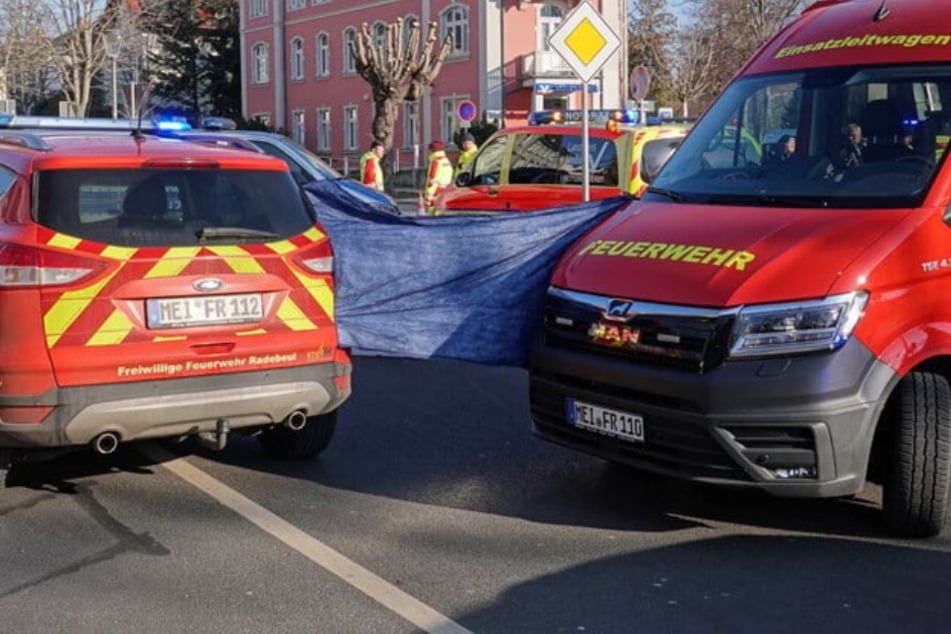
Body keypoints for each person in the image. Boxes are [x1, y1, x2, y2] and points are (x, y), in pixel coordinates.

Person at [423, 140, 453, 213]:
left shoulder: (435, 162)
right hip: (445, 192)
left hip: (436, 194)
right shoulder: (446, 161)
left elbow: (432, 181)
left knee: (434, 216)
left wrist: (428, 199)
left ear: (433, 150)